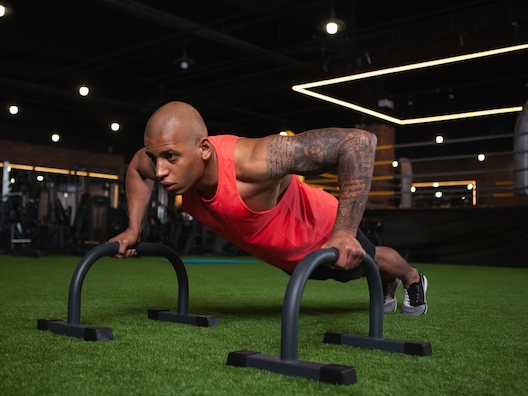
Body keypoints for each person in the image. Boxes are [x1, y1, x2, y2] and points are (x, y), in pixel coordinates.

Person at [109, 101, 428, 315]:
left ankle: (411, 277)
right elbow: (137, 167)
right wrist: (134, 229)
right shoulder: (161, 164)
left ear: (204, 149)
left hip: (321, 227)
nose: (160, 169)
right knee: (342, 274)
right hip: (285, 254)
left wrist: (344, 232)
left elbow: (359, 143)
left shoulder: (253, 161)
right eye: (156, 158)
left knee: (369, 262)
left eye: (170, 157)